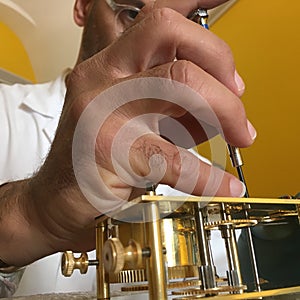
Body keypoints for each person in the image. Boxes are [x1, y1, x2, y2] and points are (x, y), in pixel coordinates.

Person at [0, 0, 256, 297]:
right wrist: (31, 214)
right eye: (132, 13)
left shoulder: (194, 174)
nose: (159, 40)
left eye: (182, 22)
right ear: (83, 7)